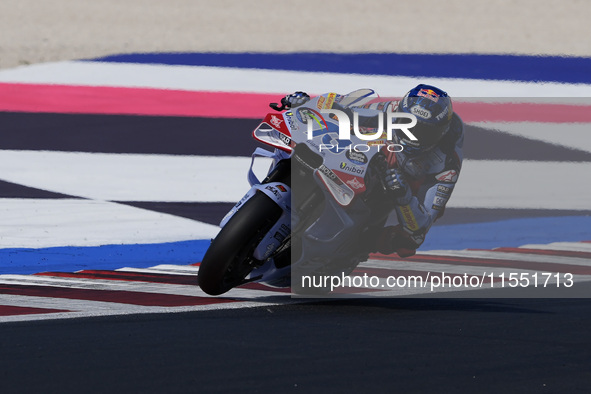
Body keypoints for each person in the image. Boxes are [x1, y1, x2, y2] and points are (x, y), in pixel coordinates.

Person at [279, 85, 464, 258]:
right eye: (406, 124)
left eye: (422, 132)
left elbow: (421, 224)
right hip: (375, 155)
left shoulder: (447, 162)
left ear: (441, 133)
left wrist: (404, 195)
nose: (411, 135)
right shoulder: (391, 109)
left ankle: (353, 252)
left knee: (410, 241)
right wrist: (308, 105)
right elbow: (344, 111)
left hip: (410, 179)